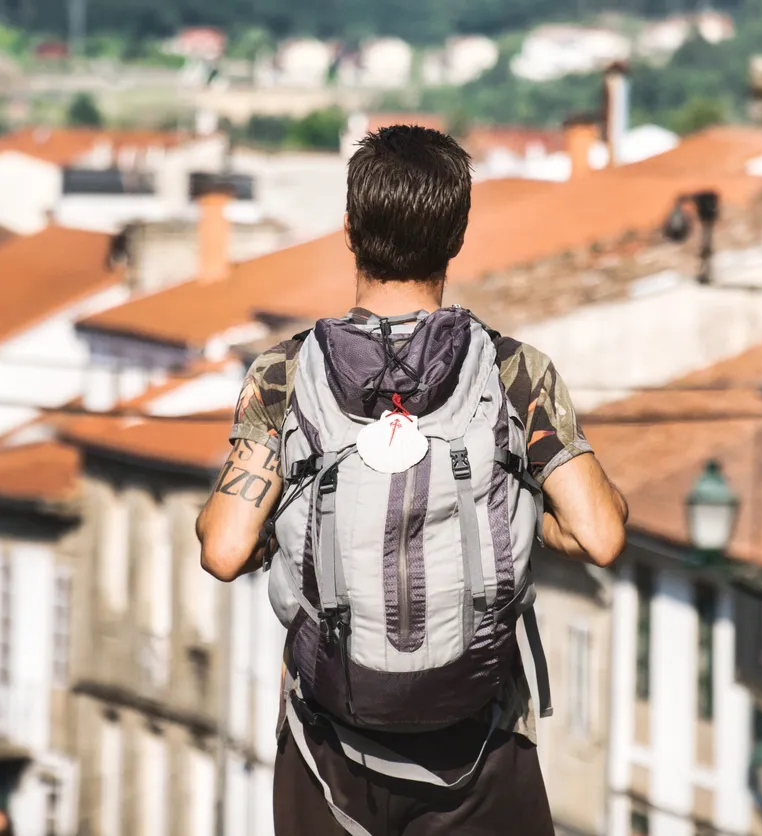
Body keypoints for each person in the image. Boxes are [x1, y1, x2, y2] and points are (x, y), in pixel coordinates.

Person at [197, 125, 628, 836]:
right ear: (456, 237)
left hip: (328, 746)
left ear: (348, 230)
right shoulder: (515, 370)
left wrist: (279, 529)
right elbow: (601, 534)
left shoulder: (284, 372)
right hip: (478, 745)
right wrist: (529, 513)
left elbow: (222, 550)